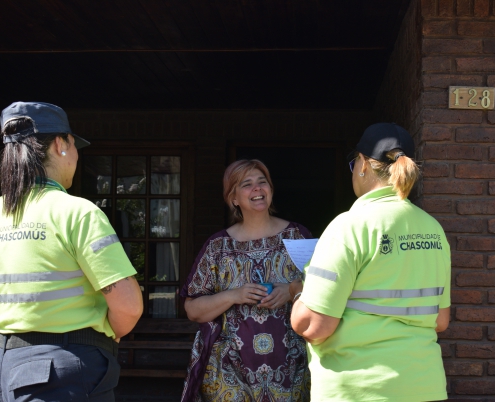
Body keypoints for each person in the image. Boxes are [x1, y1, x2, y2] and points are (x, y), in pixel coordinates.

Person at [0, 102, 143, 401]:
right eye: (75, 145)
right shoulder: (77, 212)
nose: (76, 156)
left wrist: (20, 327)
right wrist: (107, 333)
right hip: (64, 371)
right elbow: (128, 307)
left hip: (1, 368)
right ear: (62, 145)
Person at [290, 123, 451, 401]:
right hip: (426, 387)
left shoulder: (349, 227)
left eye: (354, 163)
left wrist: (299, 295)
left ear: (363, 164)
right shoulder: (433, 229)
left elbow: (313, 326)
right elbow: (440, 320)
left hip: (359, 390)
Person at [180, 159, 311, 402]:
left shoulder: (297, 236)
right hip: (228, 375)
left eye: (263, 182)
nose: (257, 189)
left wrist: (291, 290)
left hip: (291, 371)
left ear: (271, 190)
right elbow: (193, 310)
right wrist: (233, 295)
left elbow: (326, 291)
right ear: (233, 198)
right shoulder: (217, 247)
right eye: (247, 184)